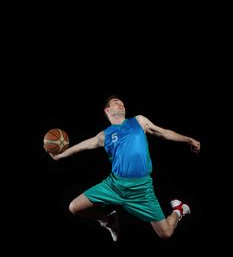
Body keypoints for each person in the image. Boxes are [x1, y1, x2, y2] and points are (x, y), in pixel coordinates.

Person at [48, 96, 200, 242]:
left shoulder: (138, 121)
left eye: (122, 103)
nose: (121, 104)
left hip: (141, 190)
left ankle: (178, 210)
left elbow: (164, 133)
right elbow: (80, 147)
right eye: (116, 102)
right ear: (107, 110)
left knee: (166, 233)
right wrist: (59, 156)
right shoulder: (104, 135)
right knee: (74, 207)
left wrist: (189, 139)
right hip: (114, 186)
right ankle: (108, 220)